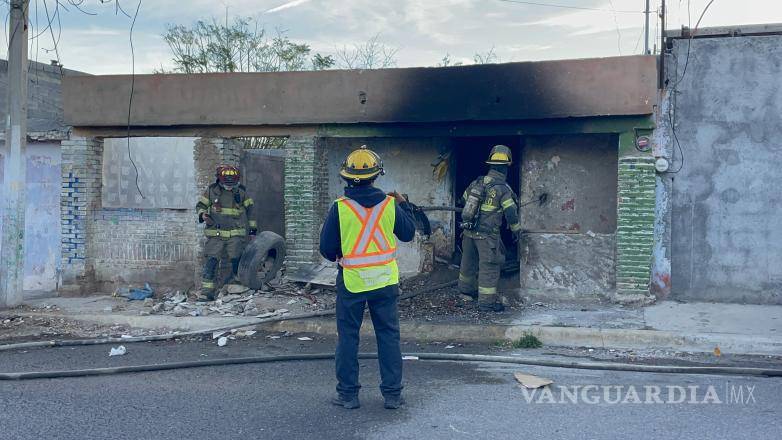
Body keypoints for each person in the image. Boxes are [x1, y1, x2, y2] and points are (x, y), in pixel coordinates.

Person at [319, 145, 416, 410]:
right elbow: (408, 234)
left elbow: (327, 249)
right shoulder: (389, 204)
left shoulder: (339, 208)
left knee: (348, 337)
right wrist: (404, 206)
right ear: (377, 175)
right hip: (384, 282)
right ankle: (393, 395)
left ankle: (348, 395)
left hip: (352, 283)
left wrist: (342, 254)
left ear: (346, 177)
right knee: (388, 336)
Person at [457, 145, 522, 312]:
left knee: (467, 264)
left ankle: (466, 292)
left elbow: (463, 202)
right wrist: (516, 230)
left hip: (468, 232)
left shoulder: (476, 183)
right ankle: (486, 303)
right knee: (489, 267)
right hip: (487, 238)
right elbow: (511, 213)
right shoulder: (503, 189)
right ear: (506, 168)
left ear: (491, 165)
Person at [196, 165, 257, 301]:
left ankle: (237, 286)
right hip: (215, 234)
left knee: (237, 259)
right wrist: (203, 215)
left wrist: (253, 231)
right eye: (226, 184)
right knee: (211, 261)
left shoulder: (241, 192)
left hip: (235, 234)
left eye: (232, 183)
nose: (229, 186)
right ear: (219, 180)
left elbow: (251, 211)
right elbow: (200, 206)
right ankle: (207, 292)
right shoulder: (211, 191)